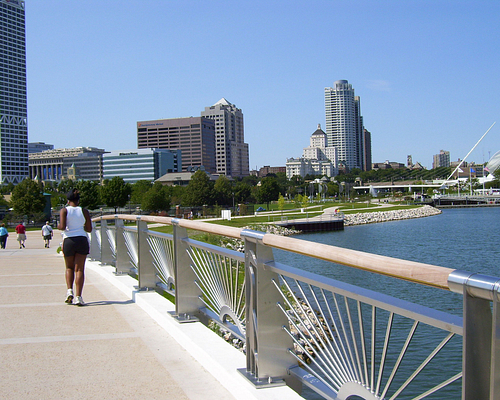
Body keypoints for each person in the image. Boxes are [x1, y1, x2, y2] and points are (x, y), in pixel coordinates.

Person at [58, 189, 92, 306]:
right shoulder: (84, 211)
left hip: (69, 241)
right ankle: (79, 296)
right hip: (81, 240)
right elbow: (89, 229)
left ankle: (69, 291)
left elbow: (62, 227)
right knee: (80, 269)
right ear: (78, 201)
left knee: (69, 268)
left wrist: (58, 225)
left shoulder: (64, 211)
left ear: (68, 201)